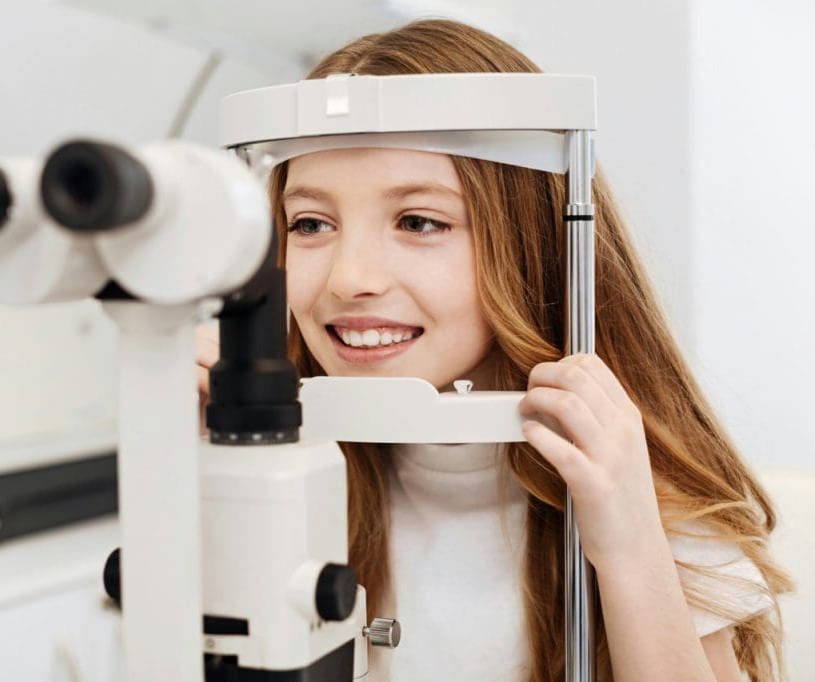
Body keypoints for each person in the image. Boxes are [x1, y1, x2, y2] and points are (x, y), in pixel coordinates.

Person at [197, 19, 791, 681]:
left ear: (530, 242)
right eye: (310, 223)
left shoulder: (641, 489)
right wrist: (201, 479)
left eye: (419, 221)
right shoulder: (271, 476)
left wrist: (629, 545)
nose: (349, 278)